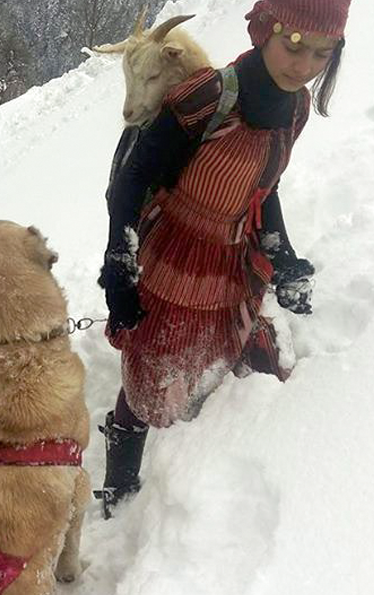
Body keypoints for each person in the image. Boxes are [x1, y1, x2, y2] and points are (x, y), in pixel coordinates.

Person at [97, 0, 348, 516]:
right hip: (175, 255)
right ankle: (120, 485)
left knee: (248, 358)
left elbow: (264, 187)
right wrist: (121, 265)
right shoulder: (207, 96)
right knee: (151, 373)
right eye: (293, 44)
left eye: (322, 53)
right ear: (263, 31)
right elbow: (133, 177)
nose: (303, 66)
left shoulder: (296, 107)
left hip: (232, 258)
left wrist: (284, 256)